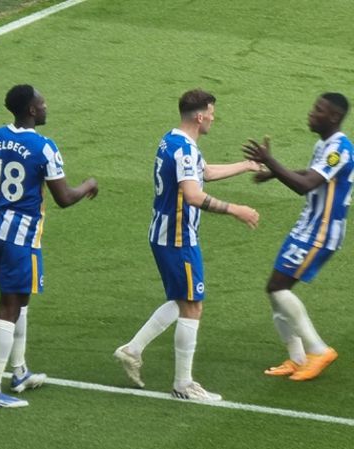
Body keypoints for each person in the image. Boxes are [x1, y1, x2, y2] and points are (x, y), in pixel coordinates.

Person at [113, 89, 260, 401]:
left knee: (183, 299)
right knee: (193, 305)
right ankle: (183, 384)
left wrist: (246, 165)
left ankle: (132, 349)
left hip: (165, 233)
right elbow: (193, 195)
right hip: (178, 237)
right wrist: (236, 210)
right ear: (199, 115)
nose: (213, 118)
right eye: (211, 112)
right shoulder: (184, 150)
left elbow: (204, 173)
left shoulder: (172, 140)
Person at [0, 84, 99, 408]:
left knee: (18, 298)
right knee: (9, 305)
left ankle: (20, 370)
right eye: (42, 103)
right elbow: (64, 198)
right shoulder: (44, 147)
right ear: (30, 110)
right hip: (21, 237)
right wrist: (89, 185)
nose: (45, 106)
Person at [242, 92, 352, 381]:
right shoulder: (324, 144)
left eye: (319, 109)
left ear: (333, 117)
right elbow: (313, 173)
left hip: (322, 231)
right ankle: (297, 358)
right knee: (275, 290)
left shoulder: (340, 148)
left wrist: (271, 162)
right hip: (308, 227)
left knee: (278, 287)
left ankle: (318, 350)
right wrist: (274, 173)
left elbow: (305, 185)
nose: (311, 113)